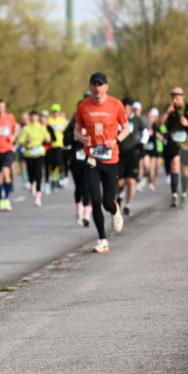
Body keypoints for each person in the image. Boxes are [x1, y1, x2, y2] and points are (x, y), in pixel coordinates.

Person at [74, 72, 129, 254]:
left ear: (106, 87)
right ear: (90, 87)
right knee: (95, 200)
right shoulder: (83, 107)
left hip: (111, 158)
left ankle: (115, 209)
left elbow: (126, 128)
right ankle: (102, 239)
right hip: (92, 158)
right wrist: (83, 139)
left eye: (100, 85)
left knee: (107, 202)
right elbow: (76, 130)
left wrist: (116, 140)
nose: (97, 88)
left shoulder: (116, 105)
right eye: (94, 85)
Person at [162, 87, 188, 209]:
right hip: (173, 143)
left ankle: (183, 194)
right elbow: (159, 124)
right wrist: (167, 113)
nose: (175, 98)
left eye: (178, 95)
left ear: (183, 96)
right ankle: (174, 195)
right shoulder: (169, 110)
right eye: (173, 95)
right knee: (174, 165)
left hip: (186, 144)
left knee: (185, 170)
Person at [116, 98, 145, 217]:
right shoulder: (118, 119)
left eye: (127, 107)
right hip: (120, 154)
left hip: (133, 153)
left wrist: (141, 144)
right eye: (123, 107)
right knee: (120, 182)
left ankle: (127, 205)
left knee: (131, 181)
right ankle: (119, 196)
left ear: (131, 108)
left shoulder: (137, 120)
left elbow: (145, 132)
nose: (125, 109)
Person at [64, 112, 92, 226]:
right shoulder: (71, 127)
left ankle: (87, 215)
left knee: (87, 187)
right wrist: (74, 137)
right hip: (75, 161)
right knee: (79, 187)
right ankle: (79, 212)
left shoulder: (91, 124)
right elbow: (65, 141)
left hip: (88, 160)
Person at [18, 110, 48, 207]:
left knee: (38, 174)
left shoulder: (41, 128)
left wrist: (45, 140)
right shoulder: (26, 128)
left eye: (35, 117)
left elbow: (48, 138)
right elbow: (20, 141)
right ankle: (32, 183)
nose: (33, 118)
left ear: (38, 118)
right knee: (31, 174)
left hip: (39, 153)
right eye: (32, 117)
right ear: (30, 118)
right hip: (29, 153)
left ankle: (38, 197)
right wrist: (25, 141)